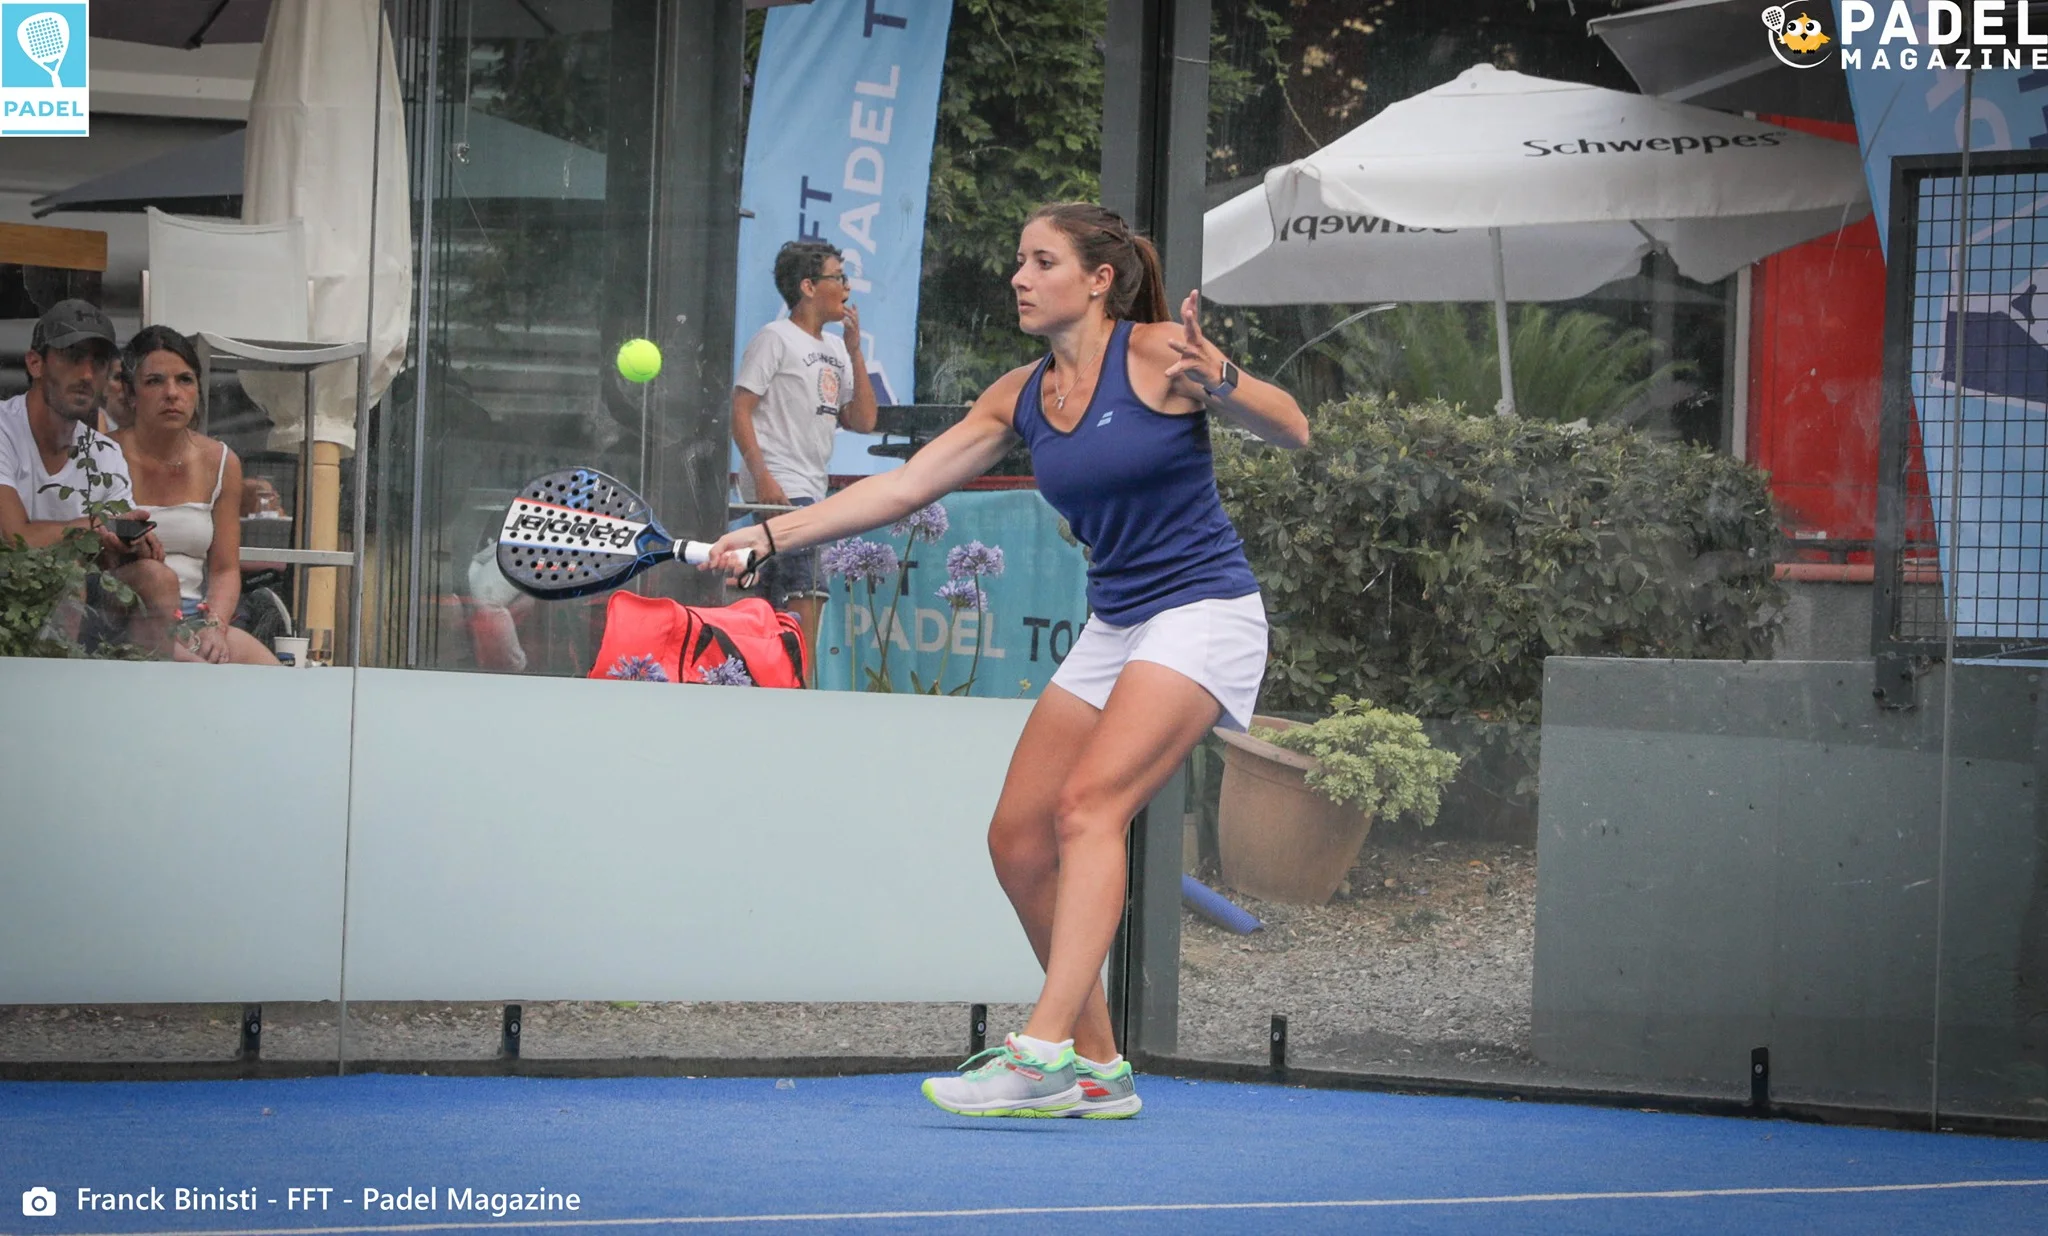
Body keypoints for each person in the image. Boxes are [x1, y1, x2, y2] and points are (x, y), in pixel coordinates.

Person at [703, 203, 1309, 1117]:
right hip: (1119, 625)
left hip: (1204, 613)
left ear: (1098, 279)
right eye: (1018, 261)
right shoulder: (1019, 393)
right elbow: (904, 486)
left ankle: (1042, 1049)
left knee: (1090, 807)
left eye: (1042, 261)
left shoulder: (1152, 353)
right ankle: (1098, 1069)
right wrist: (769, 536)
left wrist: (1222, 376)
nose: (1020, 278)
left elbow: (1293, 426)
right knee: (1018, 841)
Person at [730, 239, 879, 672]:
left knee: (777, 600)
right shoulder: (775, 338)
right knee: (807, 592)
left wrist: (853, 349)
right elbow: (741, 408)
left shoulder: (835, 348)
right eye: (839, 277)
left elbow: (863, 420)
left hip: (812, 489)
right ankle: (800, 689)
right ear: (809, 286)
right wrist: (762, 477)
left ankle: (772, 683)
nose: (847, 287)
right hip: (783, 488)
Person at [0, 300, 180, 656]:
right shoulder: (4, 429)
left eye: (97, 362)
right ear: (35, 363)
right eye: (72, 356)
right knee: (66, 577)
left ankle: (146, 704)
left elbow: (111, 545)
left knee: (158, 579)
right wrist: (94, 528)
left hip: (77, 591)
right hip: (11, 589)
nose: (86, 374)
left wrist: (132, 545)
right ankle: (53, 702)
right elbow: (15, 537)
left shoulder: (104, 453)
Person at [112, 324, 279, 665]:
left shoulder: (221, 461)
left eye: (184, 380)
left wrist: (214, 628)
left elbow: (224, 570)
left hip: (194, 620)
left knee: (273, 676)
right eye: (154, 381)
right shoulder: (103, 454)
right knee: (196, 672)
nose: (172, 393)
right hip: (126, 619)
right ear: (131, 395)